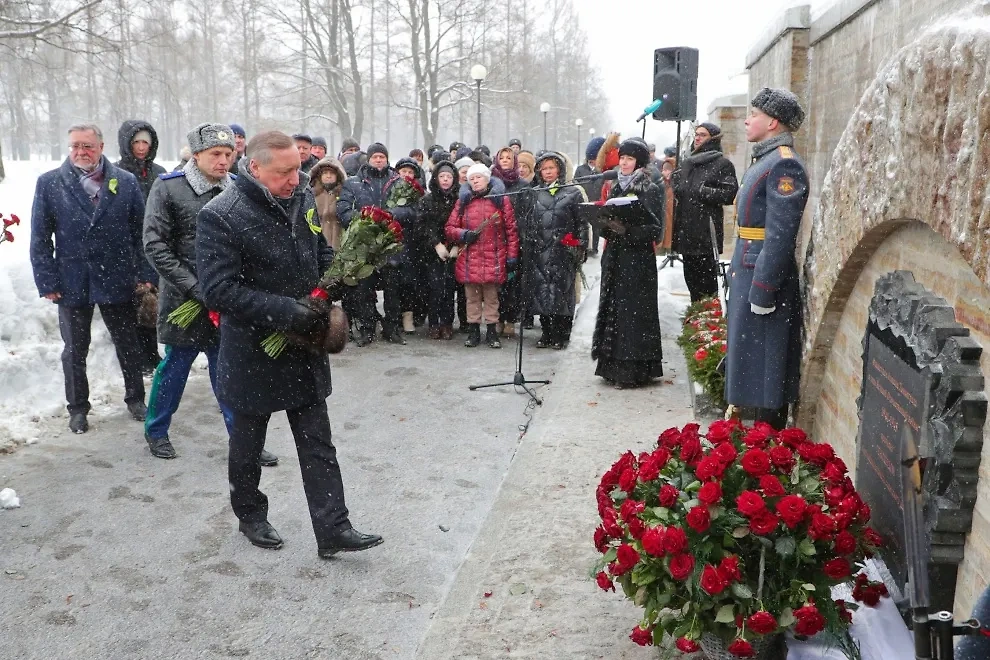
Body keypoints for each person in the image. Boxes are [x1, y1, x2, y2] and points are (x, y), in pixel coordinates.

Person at [197, 130, 382, 557]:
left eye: (298, 168)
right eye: (284, 172)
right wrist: (284, 310)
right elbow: (218, 290)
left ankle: (333, 527)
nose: (295, 178)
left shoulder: (300, 197)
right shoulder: (221, 214)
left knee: (318, 442)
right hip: (253, 350)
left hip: (304, 345)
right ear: (255, 167)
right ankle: (250, 515)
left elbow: (317, 248)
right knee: (247, 445)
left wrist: (332, 280)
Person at [142, 123, 279, 466]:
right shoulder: (169, 188)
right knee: (174, 368)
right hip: (184, 301)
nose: (223, 161)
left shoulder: (238, 189)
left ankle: (243, 440)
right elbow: (155, 246)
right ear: (197, 155)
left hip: (228, 302)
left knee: (230, 374)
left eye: (228, 154)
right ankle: (157, 430)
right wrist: (195, 288)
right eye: (215, 154)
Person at [30, 123, 154, 433]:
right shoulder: (50, 183)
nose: (80, 152)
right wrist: (47, 281)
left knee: (127, 342)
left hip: (117, 276)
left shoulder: (124, 182)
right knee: (74, 348)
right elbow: (40, 237)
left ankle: (135, 398)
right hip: (72, 279)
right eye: (75, 146)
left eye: (87, 146)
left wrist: (145, 273)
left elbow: (141, 233)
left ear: (100, 147)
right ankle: (78, 408)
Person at [725, 87, 809, 430]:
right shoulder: (766, 159)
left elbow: (779, 236)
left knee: (764, 369)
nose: (747, 120)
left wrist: (762, 289)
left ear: (773, 122)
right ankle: (753, 436)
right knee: (749, 363)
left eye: (754, 115)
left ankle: (767, 441)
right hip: (747, 267)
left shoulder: (784, 165)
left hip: (762, 276)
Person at [591, 137, 665, 389]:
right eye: (622, 158)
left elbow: (656, 230)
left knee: (632, 315)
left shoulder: (650, 188)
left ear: (639, 162)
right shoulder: (615, 188)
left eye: (629, 159)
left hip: (637, 261)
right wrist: (604, 224)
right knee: (614, 310)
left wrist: (628, 231)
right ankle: (611, 366)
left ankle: (632, 369)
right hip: (615, 258)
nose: (623, 163)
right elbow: (609, 223)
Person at [445, 163, 519, 348]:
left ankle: (492, 332)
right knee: (472, 298)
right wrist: (463, 234)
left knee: (492, 297)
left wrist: (512, 256)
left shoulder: (500, 200)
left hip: (494, 256)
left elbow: (511, 230)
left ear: (487, 178)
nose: (475, 181)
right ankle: (474, 332)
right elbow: (449, 228)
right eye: (472, 179)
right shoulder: (463, 201)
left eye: (479, 177)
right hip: (470, 257)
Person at [115, 119, 167, 375]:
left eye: (145, 142)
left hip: (155, 241)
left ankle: (151, 352)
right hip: (127, 243)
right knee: (133, 302)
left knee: (151, 302)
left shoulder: (158, 172)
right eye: (136, 142)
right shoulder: (117, 174)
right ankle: (137, 356)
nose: (141, 147)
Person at [671, 121, 739, 302]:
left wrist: (705, 191)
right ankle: (694, 319)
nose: (697, 138)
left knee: (707, 288)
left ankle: (707, 323)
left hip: (706, 235)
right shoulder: (687, 163)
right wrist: (675, 181)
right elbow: (681, 190)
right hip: (686, 233)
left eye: (703, 135)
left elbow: (730, 194)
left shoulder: (722, 164)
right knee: (692, 283)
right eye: (696, 134)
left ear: (713, 139)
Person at [336, 142, 396, 346]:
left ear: (387, 159)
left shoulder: (397, 181)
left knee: (392, 290)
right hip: (363, 246)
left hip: (389, 245)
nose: (379, 160)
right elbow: (343, 210)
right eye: (375, 157)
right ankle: (367, 329)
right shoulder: (353, 183)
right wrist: (366, 220)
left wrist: (390, 217)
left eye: (382, 157)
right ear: (368, 159)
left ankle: (392, 328)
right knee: (364, 290)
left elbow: (411, 210)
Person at [525, 151, 584, 350]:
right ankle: (547, 332)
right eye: (545, 168)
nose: (548, 172)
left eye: (552, 168)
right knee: (542, 292)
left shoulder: (572, 193)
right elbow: (528, 221)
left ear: (559, 169)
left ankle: (561, 333)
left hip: (563, 251)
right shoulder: (534, 193)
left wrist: (579, 245)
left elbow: (581, 222)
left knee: (562, 292)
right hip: (540, 251)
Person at [417, 160, 460, 339]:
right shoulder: (427, 200)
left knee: (449, 289)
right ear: (435, 178)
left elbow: (463, 222)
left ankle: (447, 323)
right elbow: (422, 225)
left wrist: (457, 244)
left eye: (449, 176)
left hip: (453, 249)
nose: (445, 180)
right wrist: (436, 244)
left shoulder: (459, 199)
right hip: (431, 251)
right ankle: (434, 323)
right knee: (434, 288)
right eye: (442, 176)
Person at [383, 156, 425, 340]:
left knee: (409, 283)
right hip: (391, 241)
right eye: (403, 171)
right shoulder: (389, 188)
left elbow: (417, 213)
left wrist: (395, 213)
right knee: (392, 284)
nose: (406, 175)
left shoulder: (418, 193)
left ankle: (408, 317)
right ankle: (392, 321)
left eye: (410, 172)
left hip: (411, 242)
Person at [491, 147, 527, 337]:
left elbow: (527, 212)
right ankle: (497, 318)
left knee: (512, 283)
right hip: (494, 240)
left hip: (515, 239)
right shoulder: (491, 183)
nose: (505, 160)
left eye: (509, 157)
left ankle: (511, 318)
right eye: (502, 158)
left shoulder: (522, 185)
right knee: (496, 284)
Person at [574, 136, 607, 256]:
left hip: (597, 201)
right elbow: (575, 182)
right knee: (585, 227)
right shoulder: (581, 169)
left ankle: (594, 248)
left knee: (596, 227)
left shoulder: (601, 170)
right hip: (584, 201)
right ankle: (585, 247)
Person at [310, 156, 347, 250]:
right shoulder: (311, 195)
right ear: (319, 176)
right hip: (317, 246)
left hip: (340, 245)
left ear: (338, 176)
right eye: (325, 173)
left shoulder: (345, 195)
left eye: (332, 173)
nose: (328, 176)